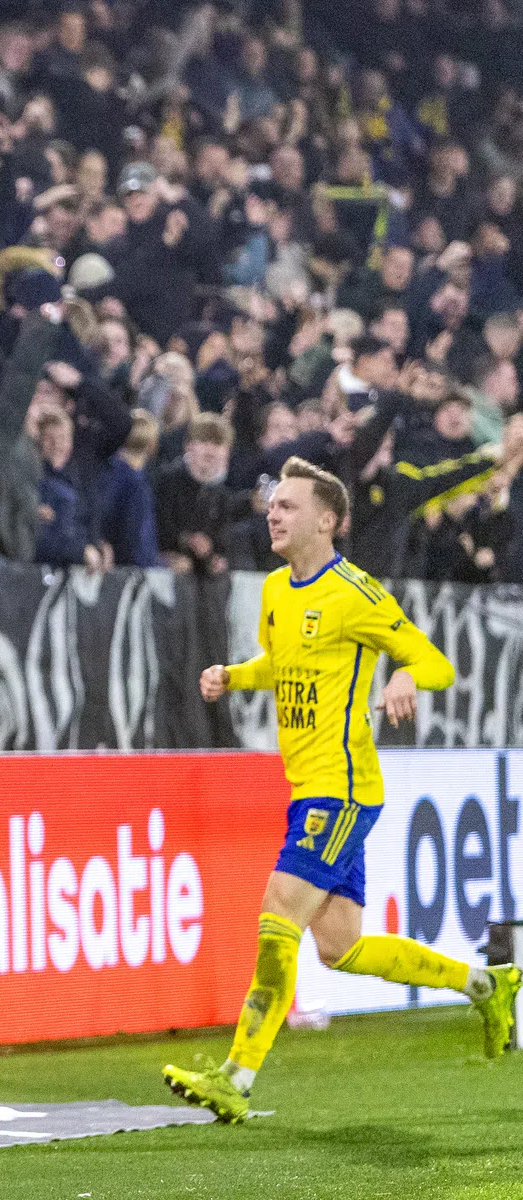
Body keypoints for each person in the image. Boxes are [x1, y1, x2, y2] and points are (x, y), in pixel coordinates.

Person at [165, 456, 520, 1124]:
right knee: (340, 947)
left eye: (289, 506)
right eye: (273, 504)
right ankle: (487, 982)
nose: (274, 512)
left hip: (343, 789)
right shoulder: (276, 590)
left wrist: (406, 676)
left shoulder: (357, 593)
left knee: (277, 916)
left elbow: (434, 660)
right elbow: (284, 664)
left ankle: (235, 1078)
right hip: (309, 787)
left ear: (327, 521)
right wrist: (237, 677)